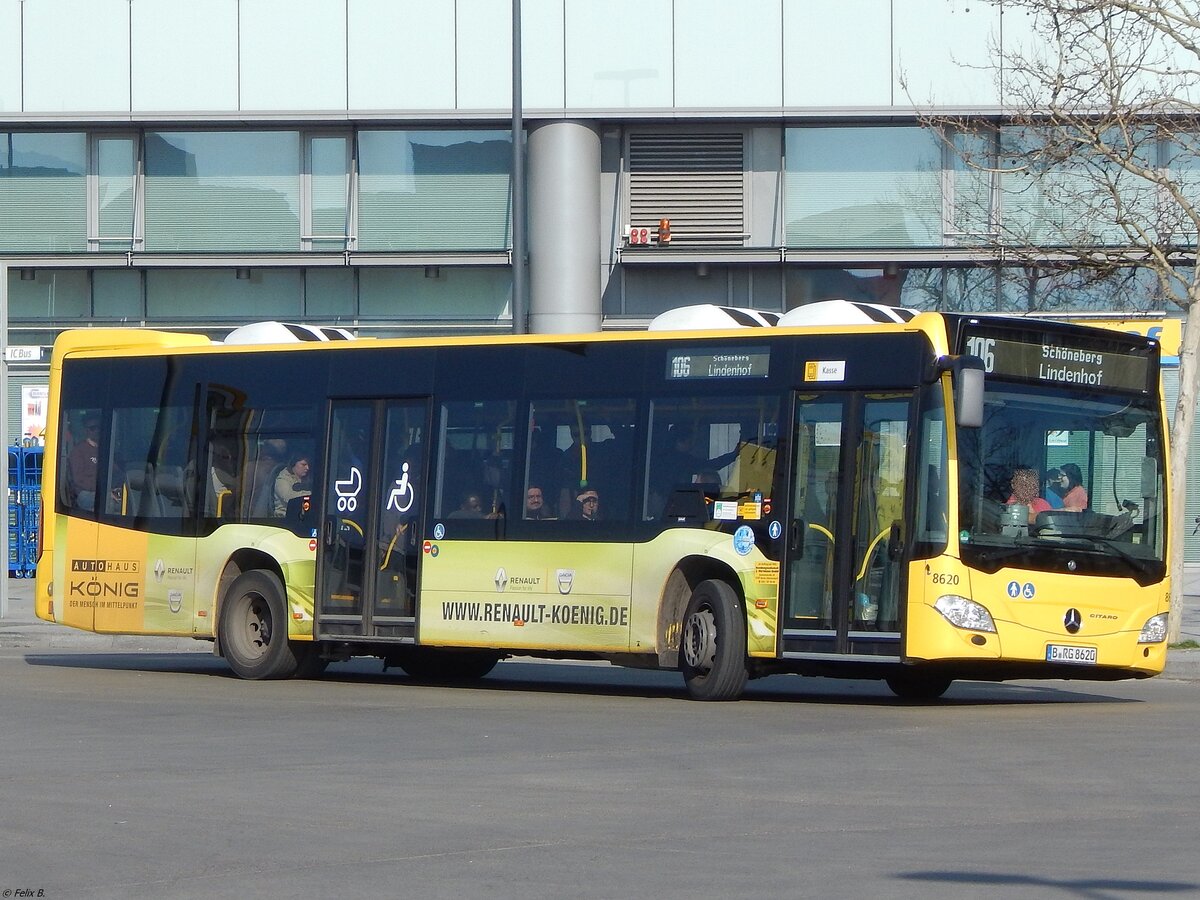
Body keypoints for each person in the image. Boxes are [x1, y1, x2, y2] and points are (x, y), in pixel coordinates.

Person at [67, 414, 101, 510]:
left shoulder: (105, 450)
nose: (97, 431)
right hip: (85, 492)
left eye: (98, 427)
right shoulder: (78, 451)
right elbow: (78, 480)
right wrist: (103, 490)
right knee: (109, 503)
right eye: (92, 428)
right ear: (86, 431)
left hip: (104, 490)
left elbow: (116, 470)